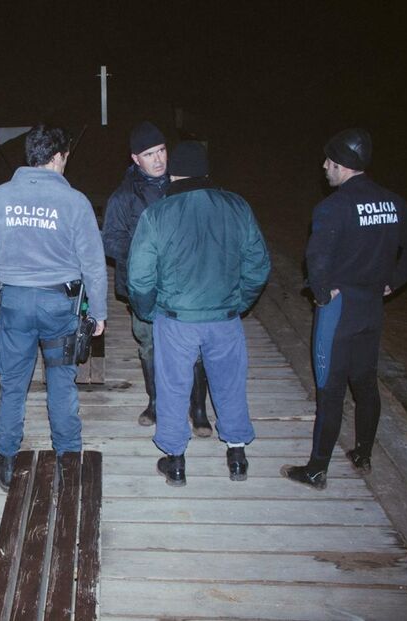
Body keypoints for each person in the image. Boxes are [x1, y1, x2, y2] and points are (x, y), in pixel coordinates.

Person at [281, 128, 407, 490]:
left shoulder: (333, 207)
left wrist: (321, 295)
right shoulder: (392, 202)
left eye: (329, 161)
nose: (324, 167)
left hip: (339, 310)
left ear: (342, 165)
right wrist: (393, 281)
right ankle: (363, 454)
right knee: (365, 382)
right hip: (371, 309)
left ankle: (317, 470)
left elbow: (317, 259)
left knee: (329, 389)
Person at [0, 123, 107, 491]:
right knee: (61, 382)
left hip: (14, 304)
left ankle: (7, 460)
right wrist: (98, 312)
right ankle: (68, 458)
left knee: (13, 383)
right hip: (60, 306)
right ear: (59, 157)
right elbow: (94, 265)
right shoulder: (76, 202)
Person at [128, 141, 270, 486]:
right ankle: (237, 456)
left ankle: (176, 462)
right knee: (230, 384)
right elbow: (258, 266)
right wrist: (239, 303)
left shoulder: (157, 214)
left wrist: (148, 311)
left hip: (176, 319)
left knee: (173, 387)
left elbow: (140, 277)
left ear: (174, 173)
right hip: (225, 317)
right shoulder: (237, 206)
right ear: (206, 172)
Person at [102, 122, 212, 436]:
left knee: (194, 347)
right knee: (149, 344)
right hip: (145, 287)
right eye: (149, 154)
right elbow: (111, 241)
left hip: (186, 286)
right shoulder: (124, 196)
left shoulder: (185, 184)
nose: (158, 159)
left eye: (161, 150)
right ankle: (155, 402)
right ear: (136, 158)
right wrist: (146, 259)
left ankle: (199, 409)